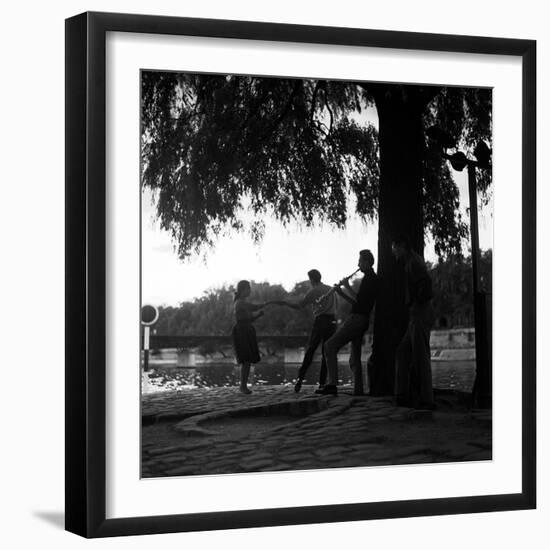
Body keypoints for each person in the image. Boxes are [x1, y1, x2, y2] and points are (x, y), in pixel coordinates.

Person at [320, 250, 378, 396]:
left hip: (357, 320)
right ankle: (358, 389)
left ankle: (332, 384)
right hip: (361, 319)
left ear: (367, 262)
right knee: (354, 357)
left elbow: (359, 301)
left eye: (360, 261)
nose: (358, 264)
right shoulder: (370, 278)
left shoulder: (370, 279)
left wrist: (346, 286)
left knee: (329, 346)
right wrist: (341, 292)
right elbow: (358, 302)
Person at [275, 269, 337, 393]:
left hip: (321, 321)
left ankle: (299, 380)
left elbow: (299, 306)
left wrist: (285, 303)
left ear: (312, 279)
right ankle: (322, 383)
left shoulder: (313, 291)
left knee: (311, 350)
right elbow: (337, 306)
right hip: (332, 321)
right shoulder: (331, 289)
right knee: (327, 353)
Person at [392, 235, 435, 409]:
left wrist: (416, 304)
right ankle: (402, 394)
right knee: (403, 352)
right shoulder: (412, 261)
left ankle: (426, 400)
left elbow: (426, 285)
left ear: (402, 245)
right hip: (416, 313)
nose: (393, 251)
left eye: (394, 247)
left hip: (419, 312)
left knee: (420, 357)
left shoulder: (414, 263)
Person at [232, 280, 266, 394]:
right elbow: (253, 307)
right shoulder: (240, 303)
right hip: (242, 332)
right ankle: (242, 387)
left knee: (248, 360)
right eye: (249, 288)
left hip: (246, 331)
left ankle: (244, 386)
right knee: (246, 359)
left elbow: (249, 319)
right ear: (243, 290)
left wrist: (259, 316)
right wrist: (263, 305)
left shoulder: (243, 303)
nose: (250, 291)